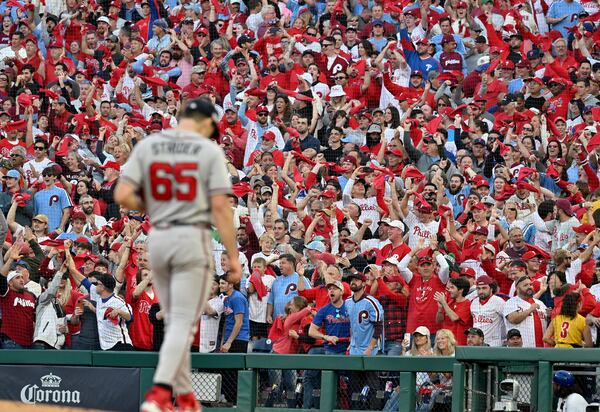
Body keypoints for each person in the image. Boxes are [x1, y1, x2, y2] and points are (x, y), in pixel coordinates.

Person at [113, 98, 242, 412]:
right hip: (189, 241)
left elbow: (122, 195)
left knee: (178, 324)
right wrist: (234, 257)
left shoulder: (152, 146)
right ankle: (162, 393)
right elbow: (223, 211)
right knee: (182, 323)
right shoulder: (209, 153)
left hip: (159, 242)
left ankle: (182, 396)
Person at [504, 276, 548, 348]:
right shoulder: (511, 302)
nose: (529, 287)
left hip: (541, 348)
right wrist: (530, 310)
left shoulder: (540, 303)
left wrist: (549, 315)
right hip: (521, 348)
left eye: (530, 284)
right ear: (517, 289)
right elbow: (513, 319)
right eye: (525, 285)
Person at [470, 275, 506, 347]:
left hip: (494, 343)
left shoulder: (499, 301)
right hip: (477, 344)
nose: (481, 291)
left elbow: (507, 321)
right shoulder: (473, 302)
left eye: (484, 288)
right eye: (478, 288)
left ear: (491, 288)